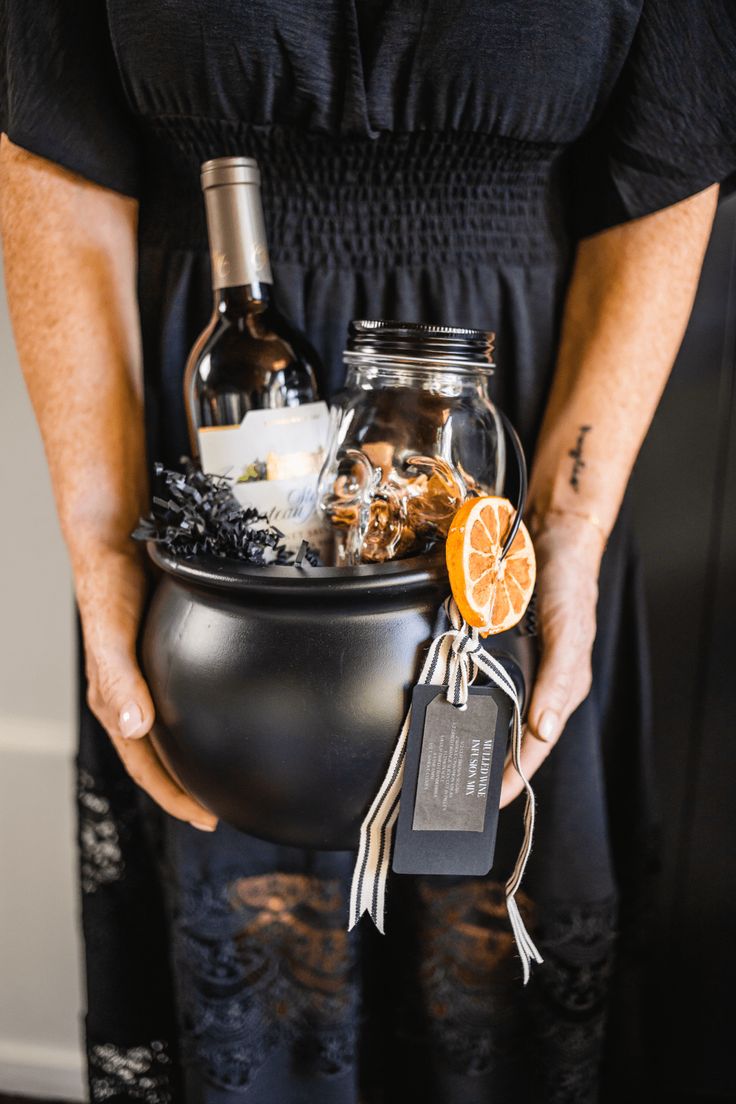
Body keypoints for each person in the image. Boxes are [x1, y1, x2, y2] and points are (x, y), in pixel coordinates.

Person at [1, 2, 735, 1101]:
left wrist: (567, 535)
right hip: (215, 466)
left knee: (497, 917)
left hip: (517, 434)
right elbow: (49, 155)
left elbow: (668, 169)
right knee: (248, 920)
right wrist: (106, 556)